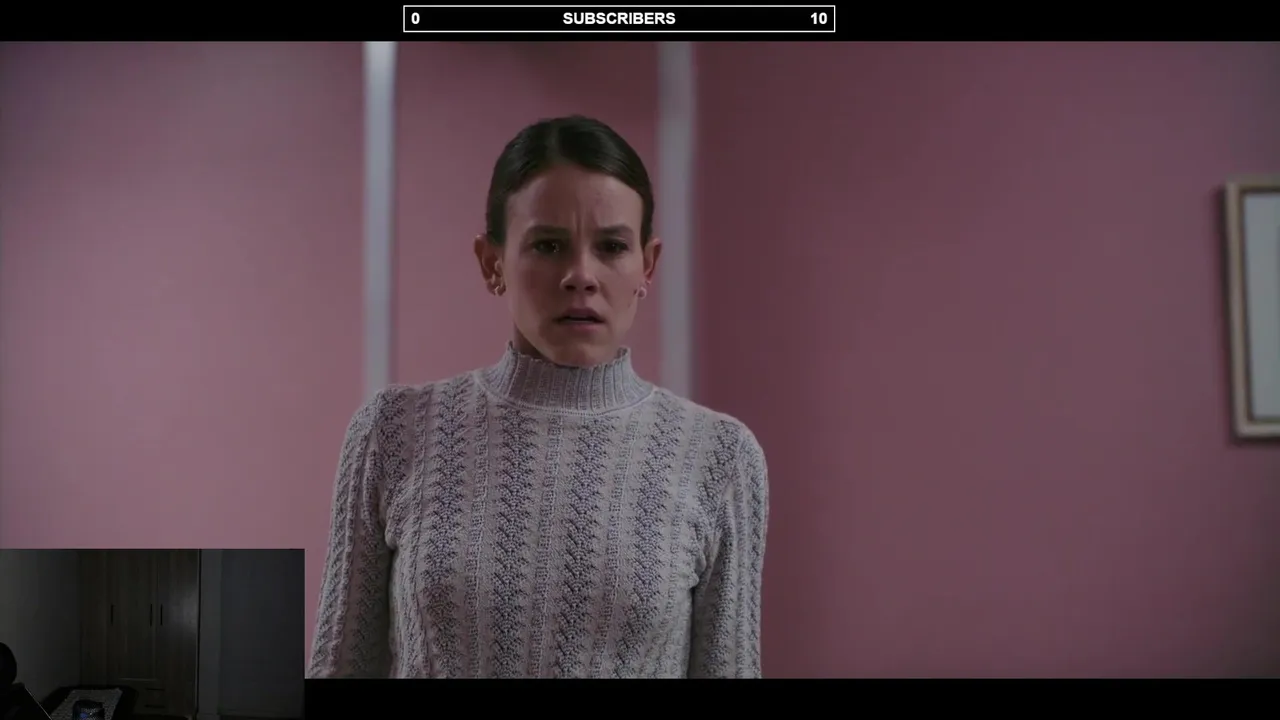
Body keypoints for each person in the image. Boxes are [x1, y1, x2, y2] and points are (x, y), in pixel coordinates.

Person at [306, 115, 769, 679]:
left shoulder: (718, 455)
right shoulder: (394, 432)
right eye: (548, 245)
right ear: (492, 262)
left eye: (612, 246)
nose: (581, 275)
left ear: (646, 266)